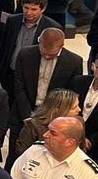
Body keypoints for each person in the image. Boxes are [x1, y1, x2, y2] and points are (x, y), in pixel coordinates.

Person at [7, 28, 82, 169]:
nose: (46, 57)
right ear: (39, 42)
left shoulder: (73, 62)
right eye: (44, 52)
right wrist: (26, 116)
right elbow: (18, 86)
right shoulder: (25, 54)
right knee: (15, 156)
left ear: (62, 46)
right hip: (23, 111)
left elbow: (68, 95)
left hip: (53, 117)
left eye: (51, 54)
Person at [0, 0, 59, 94]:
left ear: (42, 9)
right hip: (10, 73)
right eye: (26, 8)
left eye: (33, 9)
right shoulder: (12, 21)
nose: (28, 12)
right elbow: (3, 47)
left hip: (32, 77)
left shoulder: (51, 27)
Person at [13, 89, 81, 163]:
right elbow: (21, 151)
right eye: (74, 107)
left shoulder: (77, 124)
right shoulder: (34, 125)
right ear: (58, 110)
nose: (79, 110)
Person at [72, 58, 98, 161]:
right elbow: (65, 108)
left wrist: (90, 140)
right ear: (92, 66)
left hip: (94, 147)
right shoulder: (79, 81)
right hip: (69, 136)